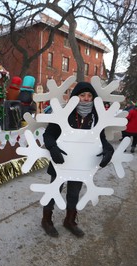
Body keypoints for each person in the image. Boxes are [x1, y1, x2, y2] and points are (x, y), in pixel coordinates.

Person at [41, 82, 114, 238]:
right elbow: (48, 135)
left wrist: (109, 149)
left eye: (89, 96)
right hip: (60, 162)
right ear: (75, 97)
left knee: (74, 193)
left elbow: (101, 139)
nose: (86, 99)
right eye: (82, 95)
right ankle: (46, 220)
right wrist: (52, 148)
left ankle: (70, 220)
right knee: (54, 191)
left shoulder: (96, 117)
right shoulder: (64, 114)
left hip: (81, 164)